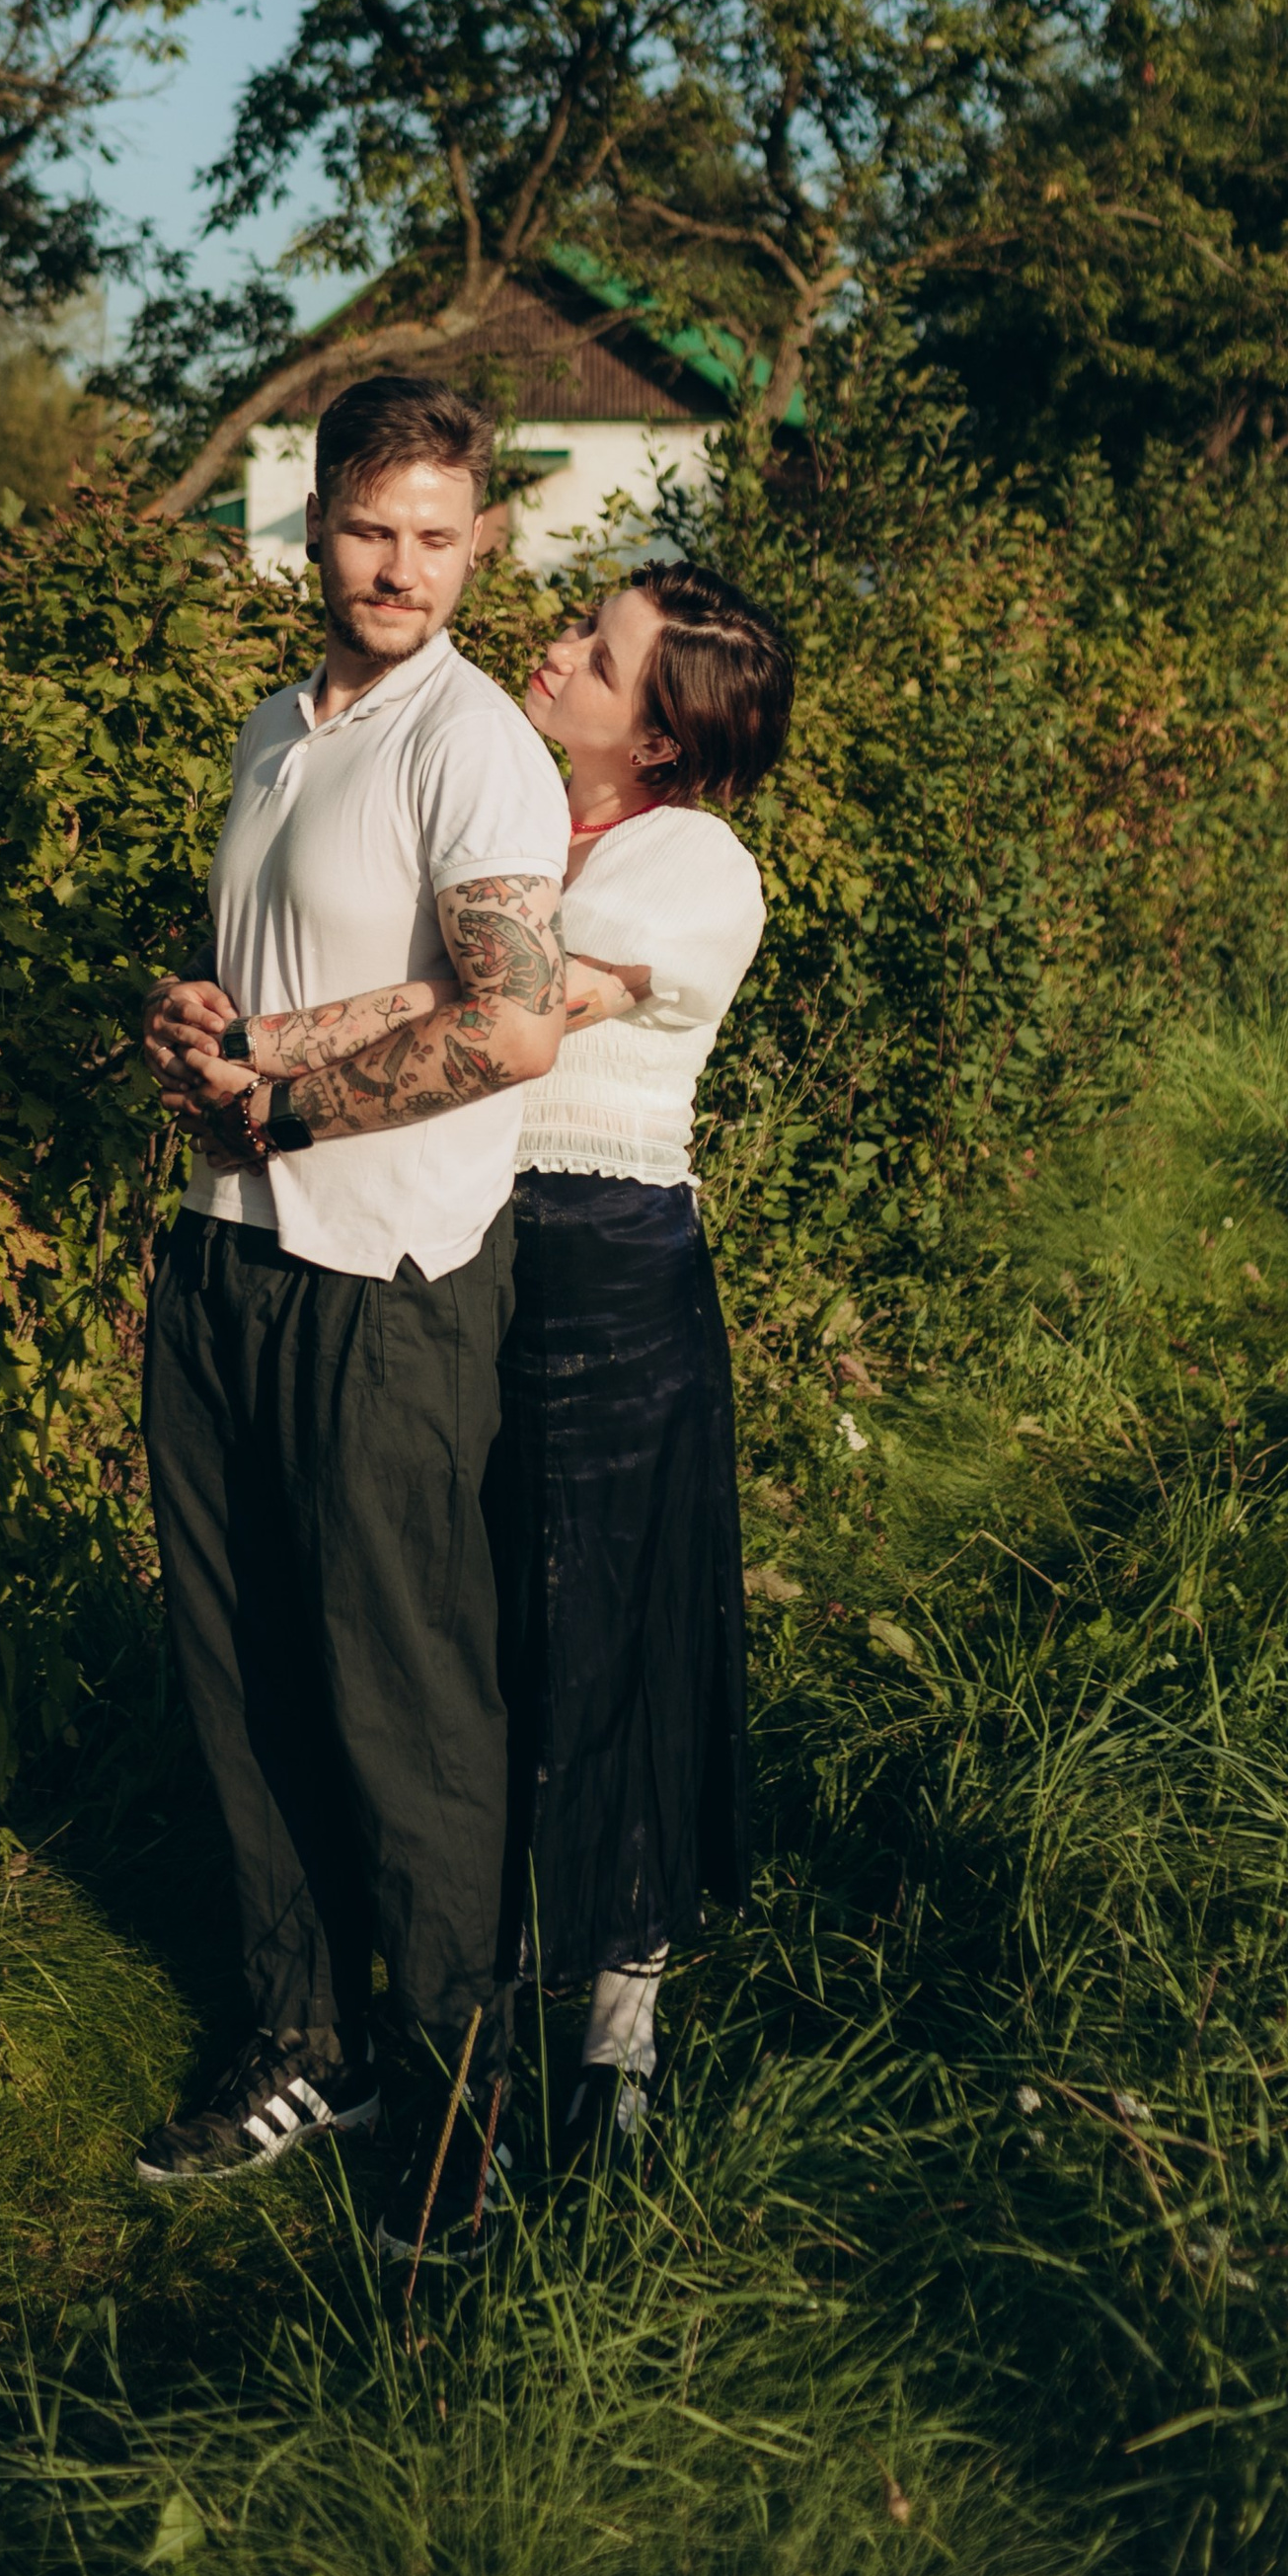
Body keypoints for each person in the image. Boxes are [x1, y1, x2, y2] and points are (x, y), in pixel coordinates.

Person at [133, 372, 572, 2262]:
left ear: (482, 545)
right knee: (243, 1681)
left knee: (407, 1704)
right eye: (373, 530)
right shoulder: (277, 726)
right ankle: (304, 2041)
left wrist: (291, 1104)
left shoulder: (474, 747)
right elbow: (290, 980)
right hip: (225, 1255)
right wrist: (199, 1025)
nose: (401, 569)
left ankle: (464, 2106)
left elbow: (514, 1025)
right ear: (313, 525)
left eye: (437, 539)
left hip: (386, 1280)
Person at [496, 566, 792, 2155]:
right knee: (474, 1609)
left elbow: (524, 1006)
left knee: (614, 1618)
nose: (555, 653)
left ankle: (620, 2028)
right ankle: (472, 1971)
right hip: (459, 1242)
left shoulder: (692, 863)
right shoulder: (511, 808)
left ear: (662, 740)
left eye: (596, 658)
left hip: (606, 1260)